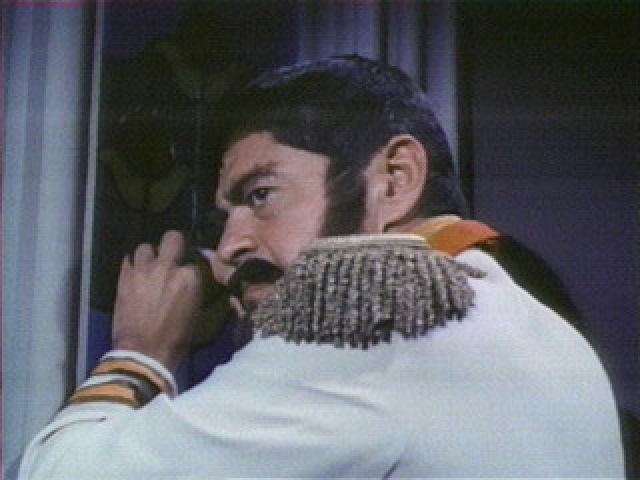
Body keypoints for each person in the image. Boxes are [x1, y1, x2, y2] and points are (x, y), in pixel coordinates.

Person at [19, 55, 624, 478]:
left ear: (394, 179)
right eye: (225, 216)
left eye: (262, 195)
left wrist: (138, 351)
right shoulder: (543, 330)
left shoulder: (377, 308)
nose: (230, 247)